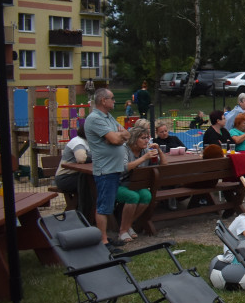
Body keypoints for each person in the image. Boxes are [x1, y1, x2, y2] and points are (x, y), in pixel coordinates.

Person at [85, 88, 131, 251]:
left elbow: (125, 134)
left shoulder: (108, 117)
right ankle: (103, 241)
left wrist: (120, 137)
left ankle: (105, 238)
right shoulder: (95, 119)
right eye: (112, 98)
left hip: (114, 168)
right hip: (105, 170)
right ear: (103, 100)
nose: (114, 101)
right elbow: (114, 138)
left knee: (107, 204)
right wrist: (118, 138)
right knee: (103, 206)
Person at [116, 124, 168, 241]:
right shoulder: (124, 149)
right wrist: (144, 158)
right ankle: (122, 231)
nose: (146, 140)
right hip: (119, 184)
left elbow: (164, 165)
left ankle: (127, 226)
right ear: (134, 139)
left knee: (146, 196)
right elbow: (124, 168)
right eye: (143, 138)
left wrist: (159, 151)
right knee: (133, 197)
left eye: (147, 137)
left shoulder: (146, 149)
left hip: (137, 184)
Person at [54, 124, 90, 217]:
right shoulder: (78, 142)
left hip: (76, 176)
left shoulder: (87, 142)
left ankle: (86, 214)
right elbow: (81, 158)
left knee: (94, 181)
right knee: (91, 183)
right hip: (65, 178)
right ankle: (83, 214)